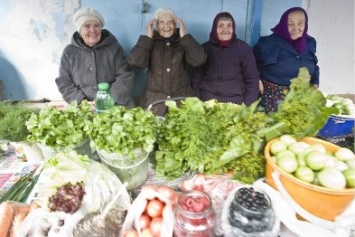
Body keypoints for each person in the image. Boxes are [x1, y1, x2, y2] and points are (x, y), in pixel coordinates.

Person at [128, 7, 207, 116]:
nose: (166, 26)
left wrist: (185, 37)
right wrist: (147, 38)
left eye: (170, 22)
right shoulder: (150, 41)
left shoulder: (183, 40)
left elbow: (199, 60)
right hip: (155, 101)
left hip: (182, 99)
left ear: (176, 25)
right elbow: (135, 62)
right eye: (161, 22)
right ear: (156, 25)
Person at [55, 7, 135, 108]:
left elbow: (125, 76)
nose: (92, 30)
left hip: (114, 105)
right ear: (79, 31)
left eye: (96, 26)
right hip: (83, 108)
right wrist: (82, 102)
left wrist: (109, 100)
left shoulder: (114, 48)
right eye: (87, 26)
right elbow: (64, 81)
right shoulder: (70, 52)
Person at [253, 7, 319, 113]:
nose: (296, 28)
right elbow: (251, 64)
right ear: (283, 25)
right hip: (271, 100)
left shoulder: (310, 43)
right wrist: (256, 80)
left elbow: (314, 65)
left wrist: (315, 82)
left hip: (300, 101)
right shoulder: (267, 43)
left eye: (300, 23)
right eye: (290, 24)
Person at [192, 12, 260, 106]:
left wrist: (246, 105)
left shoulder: (244, 49)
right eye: (221, 26)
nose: (225, 30)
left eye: (229, 26)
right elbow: (197, 78)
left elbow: (252, 79)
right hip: (207, 101)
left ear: (233, 28)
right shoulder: (204, 49)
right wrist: (198, 101)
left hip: (235, 102)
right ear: (214, 28)